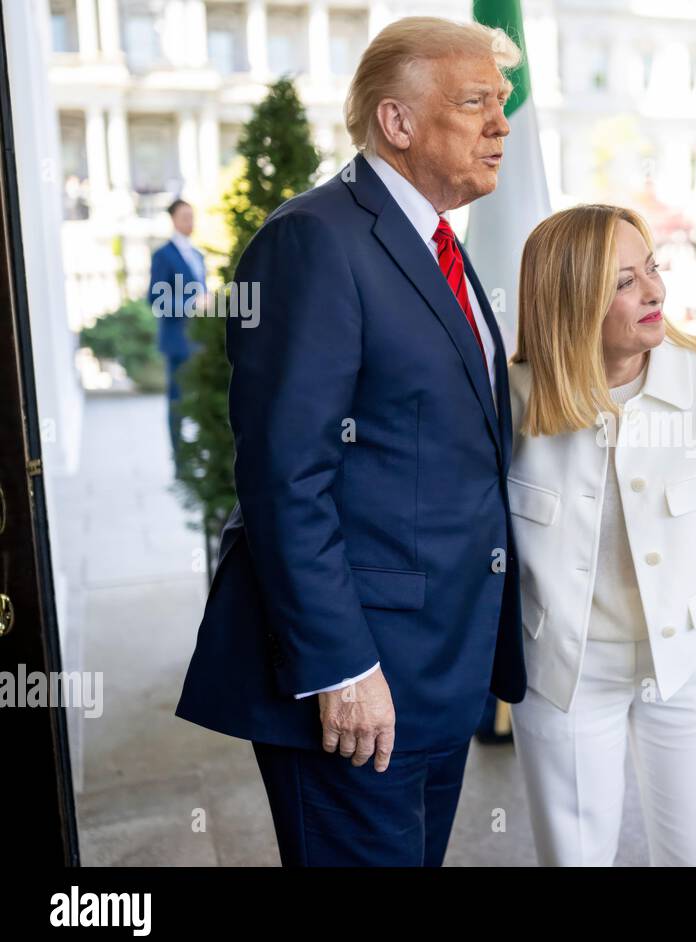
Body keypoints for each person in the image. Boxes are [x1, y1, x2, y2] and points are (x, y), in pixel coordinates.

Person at [175, 16, 526, 867]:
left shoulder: (437, 241)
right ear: (396, 123)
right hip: (358, 683)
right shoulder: (313, 240)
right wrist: (340, 669)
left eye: (502, 103)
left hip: (435, 672)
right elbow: (285, 476)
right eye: (475, 101)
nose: (501, 124)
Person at [506, 204, 696, 865]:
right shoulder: (510, 398)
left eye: (651, 268)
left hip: (686, 665)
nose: (654, 291)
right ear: (571, 303)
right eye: (623, 282)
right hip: (563, 672)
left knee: (694, 855)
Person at [149, 198, 205, 471]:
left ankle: (198, 456)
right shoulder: (163, 256)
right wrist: (189, 305)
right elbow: (156, 300)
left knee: (199, 399)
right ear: (173, 219)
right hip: (177, 342)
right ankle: (179, 462)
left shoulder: (198, 255)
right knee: (177, 400)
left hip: (198, 341)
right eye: (185, 216)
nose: (190, 222)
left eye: (192, 216)